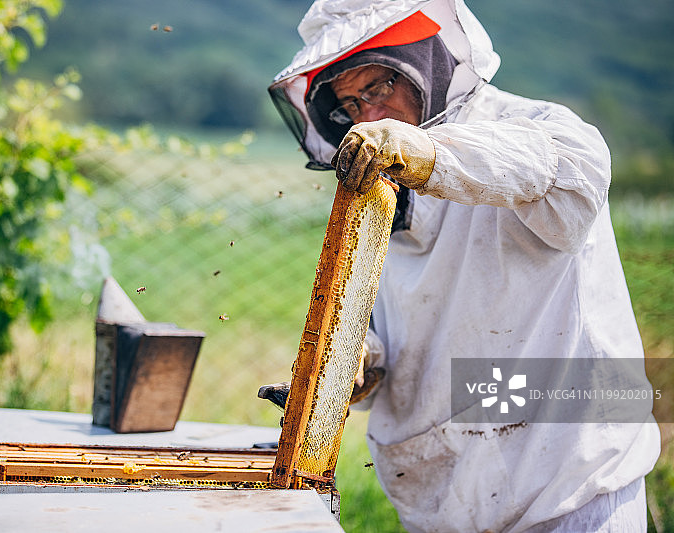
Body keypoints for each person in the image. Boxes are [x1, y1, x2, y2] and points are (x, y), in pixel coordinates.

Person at [268, 0, 661, 531]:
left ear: (423, 61)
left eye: (378, 88)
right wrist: (355, 365)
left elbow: (561, 173)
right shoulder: (386, 191)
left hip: (572, 485)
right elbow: (403, 315)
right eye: (352, 105)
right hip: (449, 493)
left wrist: (427, 154)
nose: (367, 116)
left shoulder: (535, 127)